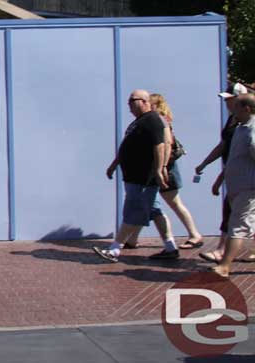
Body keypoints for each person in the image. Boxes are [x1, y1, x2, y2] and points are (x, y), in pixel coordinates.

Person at [93, 90, 178, 262]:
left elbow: (160, 146)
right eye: (129, 101)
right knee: (155, 211)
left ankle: (115, 249)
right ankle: (170, 247)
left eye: (133, 100)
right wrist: (114, 164)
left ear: (145, 101)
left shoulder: (152, 120)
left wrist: (159, 170)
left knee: (132, 210)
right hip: (135, 176)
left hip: (143, 178)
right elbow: (128, 145)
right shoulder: (139, 122)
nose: (129, 105)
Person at [124, 94, 202, 249]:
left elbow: (166, 144)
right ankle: (133, 239)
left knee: (173, 203)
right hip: (156, 170)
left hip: (166, 170)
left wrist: (163, 168)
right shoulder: (151, 120)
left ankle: (194, 235)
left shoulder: (159, 121)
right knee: (150, 204)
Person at [196, 83, 250, 263]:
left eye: (229, 99)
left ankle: (222, 256)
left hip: (246, 180)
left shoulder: (248, 125)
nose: (226, 103)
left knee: (234, 218)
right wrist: (205, 164)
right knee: (237, 217)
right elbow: (225, 147)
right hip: (236, 176)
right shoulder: (234, 120)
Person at [213, 93, 255, 277]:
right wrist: (220, 179)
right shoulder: (239, 128)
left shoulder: (252, 130)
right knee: (243, 224)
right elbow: (234, 159)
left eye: (236, 106)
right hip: (236, 186)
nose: (232, 109)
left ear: (246, 109)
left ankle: (224, 265)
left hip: (248, 187)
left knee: (237, 225)